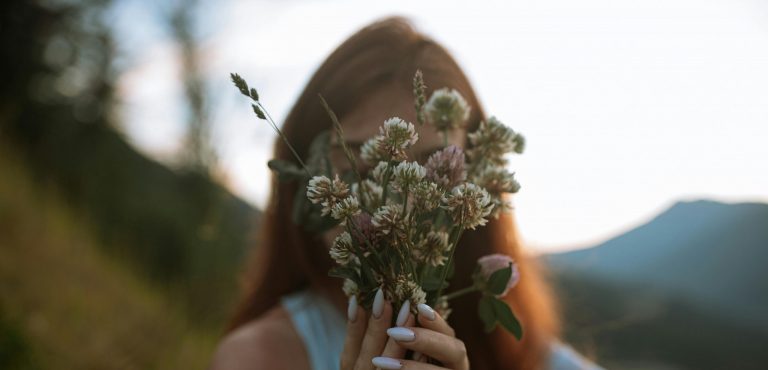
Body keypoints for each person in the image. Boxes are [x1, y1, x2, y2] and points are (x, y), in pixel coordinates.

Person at [210, 16, 602, 370]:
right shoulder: (258, 358)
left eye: (435, 168)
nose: (403, 202)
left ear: (478, 179)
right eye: (362, 170)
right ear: (307, 186)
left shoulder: (539, 360)